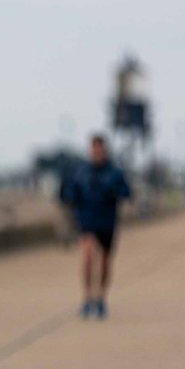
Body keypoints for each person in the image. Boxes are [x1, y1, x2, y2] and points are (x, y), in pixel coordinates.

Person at [63, 135, 131, 319]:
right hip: (87, 222)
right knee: (88, 256)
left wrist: (114, 192)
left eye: (100, 150)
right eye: (94, 150)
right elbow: (70, 193)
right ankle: (87, 298)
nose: (97, 153)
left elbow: (127, 192)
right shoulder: (81, 172)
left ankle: (101, 297)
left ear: (105, 151)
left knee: (105, 263)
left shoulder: (114, 173)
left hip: (107, 222)